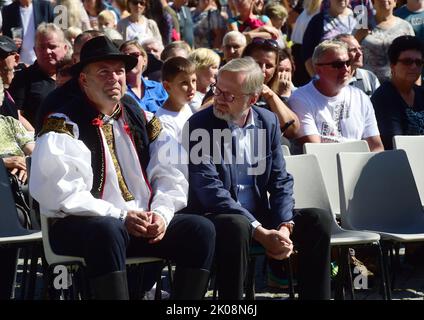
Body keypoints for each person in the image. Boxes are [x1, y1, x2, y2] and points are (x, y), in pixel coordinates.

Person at [29, 36, 215, 300]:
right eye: (103, 72)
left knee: (200, 230)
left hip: (136, 224)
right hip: (81, 226)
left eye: (119, 71)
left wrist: (161, 214)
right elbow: (63, 192)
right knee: (109, 230)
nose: (114, 78)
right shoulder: (64, 122)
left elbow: (169, 171)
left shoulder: (140, 116)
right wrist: (118, 215)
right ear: (83, 80)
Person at [184, 57, 332, 300]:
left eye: (229, 95)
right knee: (237, 225)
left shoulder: (267, 121)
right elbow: (208, 188)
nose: (219, 99)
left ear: (252, 99)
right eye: (217, 90)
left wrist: (285, 226)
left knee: (318, 219)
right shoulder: (200, 125)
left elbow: (280, 179)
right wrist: (260, 231)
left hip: (259, 214)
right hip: (216, 217)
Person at [289, 40, 384, 152]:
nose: (346, 69)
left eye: (348, 62)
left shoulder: (360, 97)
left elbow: (376, 147)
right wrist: (359, 148)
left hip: (360, 165)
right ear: (318, 69)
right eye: (338, 65)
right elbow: (315, 149)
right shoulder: (300, 98)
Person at [9, 23, 68, 128]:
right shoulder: (23, 78)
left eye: (52, 46)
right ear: (35, 51)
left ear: (65, 48)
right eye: (42, 47)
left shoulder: (75, 76)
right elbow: (16, 114)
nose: (47, 51)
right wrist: (33, 136)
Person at [371, 35, 424, 150]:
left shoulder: (421, 94)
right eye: (407, 62)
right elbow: (394, 142)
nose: (414, 66)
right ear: (392, 65)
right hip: (399, 162)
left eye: (418, 62)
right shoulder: (383, 98)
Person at [242, 38, 300, 138]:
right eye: (257, 63)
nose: (262, 70)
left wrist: (271, 96)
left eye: (268, 66)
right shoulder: (224, 88)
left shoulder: (271, 95)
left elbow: (292, 130)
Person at [356, 0, 415, 83]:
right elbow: (350, 51)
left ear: (395, 2)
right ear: (373, 3)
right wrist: (358, 36)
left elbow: (414, 57)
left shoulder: (405, 27)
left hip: (399, 85)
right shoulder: (363, 25)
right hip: (368, 84)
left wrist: (416, 86)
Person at [119, 40, 168, 113]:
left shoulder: (158, 88)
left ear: (144, 60)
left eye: (134, 55)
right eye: (125, 56)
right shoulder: (118, 91)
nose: (130, 59)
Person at [1, 0, 54, 65]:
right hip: (19, 63)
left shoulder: (45, 6)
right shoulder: (8, 10)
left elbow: (54, 32)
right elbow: (6, 39)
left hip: (42, 61)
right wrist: (12, 44)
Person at [157, 56, 196, 142]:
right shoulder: (163, 122)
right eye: (184, 83)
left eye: (193, 81)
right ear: (167, 86)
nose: (192, 87)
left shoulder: (185, 106)